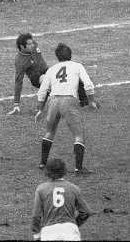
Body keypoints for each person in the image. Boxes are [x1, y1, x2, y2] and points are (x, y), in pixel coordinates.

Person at [35, 43, 99, 175]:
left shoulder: (52, 69)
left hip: (53, 101)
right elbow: (88, 84)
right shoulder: (77, 66)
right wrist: (91, 101)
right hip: (69, 100)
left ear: (57, 57)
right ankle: (78, 169)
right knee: (78, 135)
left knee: (49, 132)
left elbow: (42, 91)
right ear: (70, 55)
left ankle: (42, 163)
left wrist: (40, 109)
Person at [7, 33, 89, 116]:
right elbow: (18, 82)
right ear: (21, 46)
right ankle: (47, 108)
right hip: (36, 77)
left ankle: (84, 102)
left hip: (47, 71)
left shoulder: (33, 45)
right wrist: (16, 105)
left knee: (73, 76)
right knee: (47, 82)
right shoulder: (20, 61)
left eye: (32, 43)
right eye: (29, 44)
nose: (33, 45)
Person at [31, 158, 93, 241]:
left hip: (49, 232)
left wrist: (37, 234)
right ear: (64, 170)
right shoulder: (73, 188)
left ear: (47, 171)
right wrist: (74, 223)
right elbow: (86, 212)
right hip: (70, 231)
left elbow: (36, 215)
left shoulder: (41, 189)